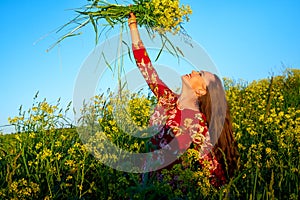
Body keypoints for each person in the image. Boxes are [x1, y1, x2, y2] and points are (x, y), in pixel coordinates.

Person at [128, 13, 239, 188]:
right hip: (146, 184)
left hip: (169, 192)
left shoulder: (197, 123)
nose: (194, 72)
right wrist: (133, 26)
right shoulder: (167, 99)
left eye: (200, 75)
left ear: (201, 91)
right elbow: (145, 66)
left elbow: (213, 171)